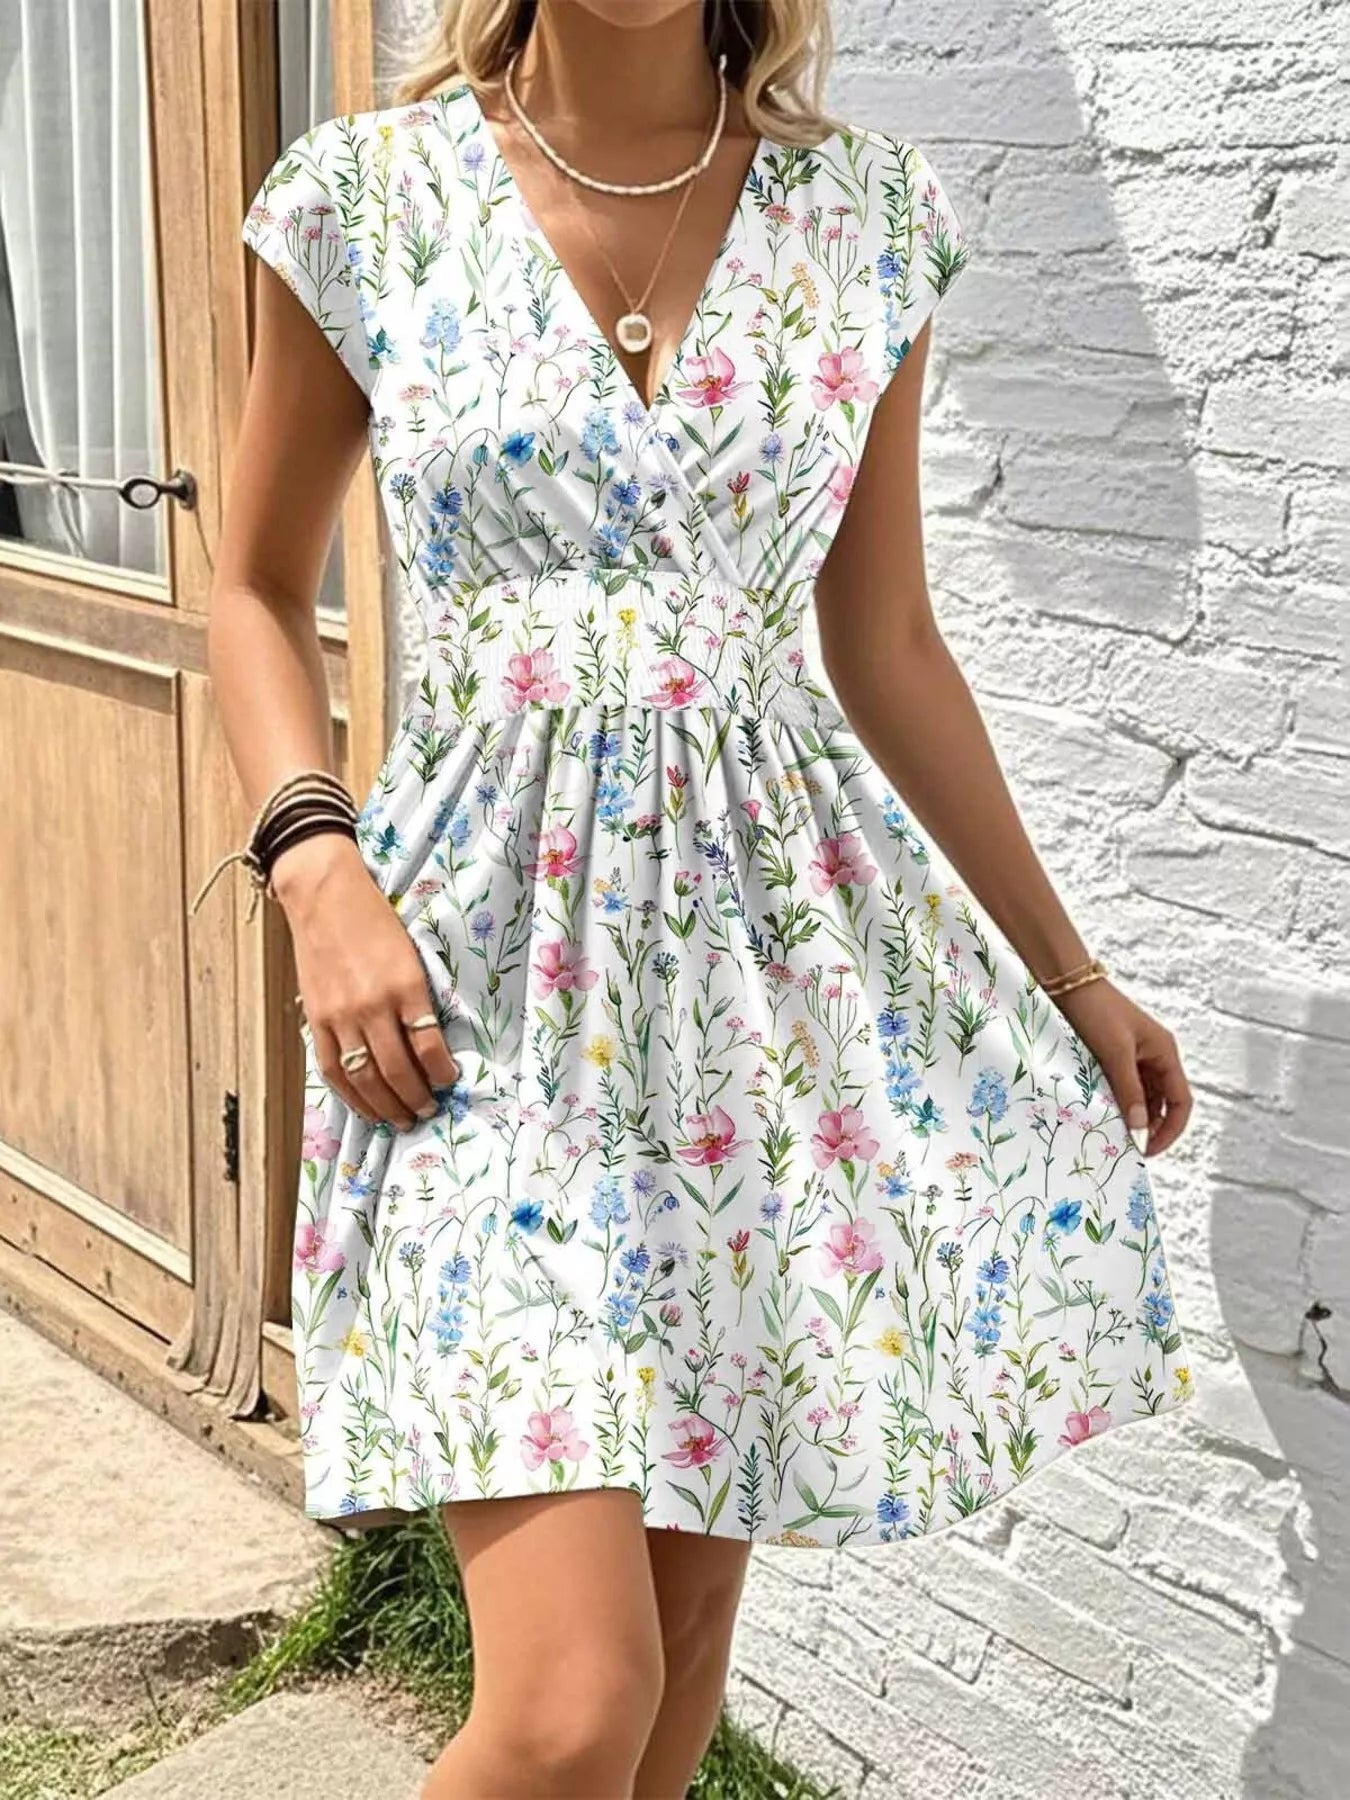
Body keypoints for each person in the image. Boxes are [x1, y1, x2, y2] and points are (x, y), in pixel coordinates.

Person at [206, 1, 1197, 1794]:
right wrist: (314, 863)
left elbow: (886, 642)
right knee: (570, 1709)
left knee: (666, 1683)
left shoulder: (866, 215)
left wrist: (1069, 976)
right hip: (471, 988)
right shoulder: (365, 198)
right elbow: (256, 588)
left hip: (753, 1003)